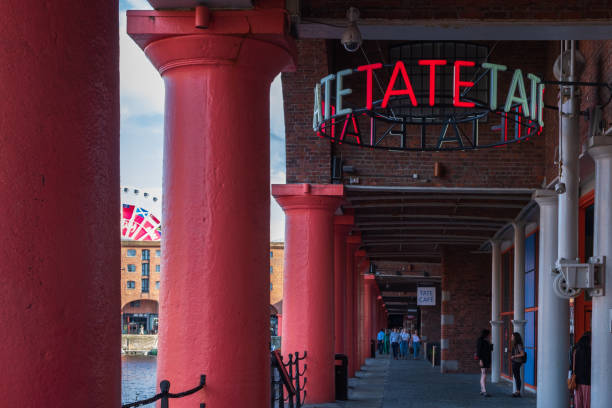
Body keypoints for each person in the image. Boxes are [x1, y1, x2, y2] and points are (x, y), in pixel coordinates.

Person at [573, 331, 591, 408]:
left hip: (577, 380)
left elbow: (573, 365)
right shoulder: (591, 350)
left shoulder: (575, 349)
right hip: (587, 381)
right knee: (586, 404)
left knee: (578, 403)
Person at [476, 329, 493, 397]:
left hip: (486, 359)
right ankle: (484, 391)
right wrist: (480, 360)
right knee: (484, 374)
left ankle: (482, 390)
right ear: (486, 334)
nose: (489, 335)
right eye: (489, 334)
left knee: (483, 374)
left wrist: (491, 342)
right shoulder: (480, 341)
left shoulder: (485, 341)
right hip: (483, 360)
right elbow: (478, 351)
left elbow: (490, 349)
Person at [510, 332, 526, 397]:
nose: (511, 337)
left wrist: (514, 356)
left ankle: (518, 391)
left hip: (517, 362)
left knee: (517, 377)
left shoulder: (518, 345)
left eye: (512, 336)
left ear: (515, 337)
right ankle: (517, 391)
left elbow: (522, 354)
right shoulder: (515, 345)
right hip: (515, 362)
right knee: (516, 377)